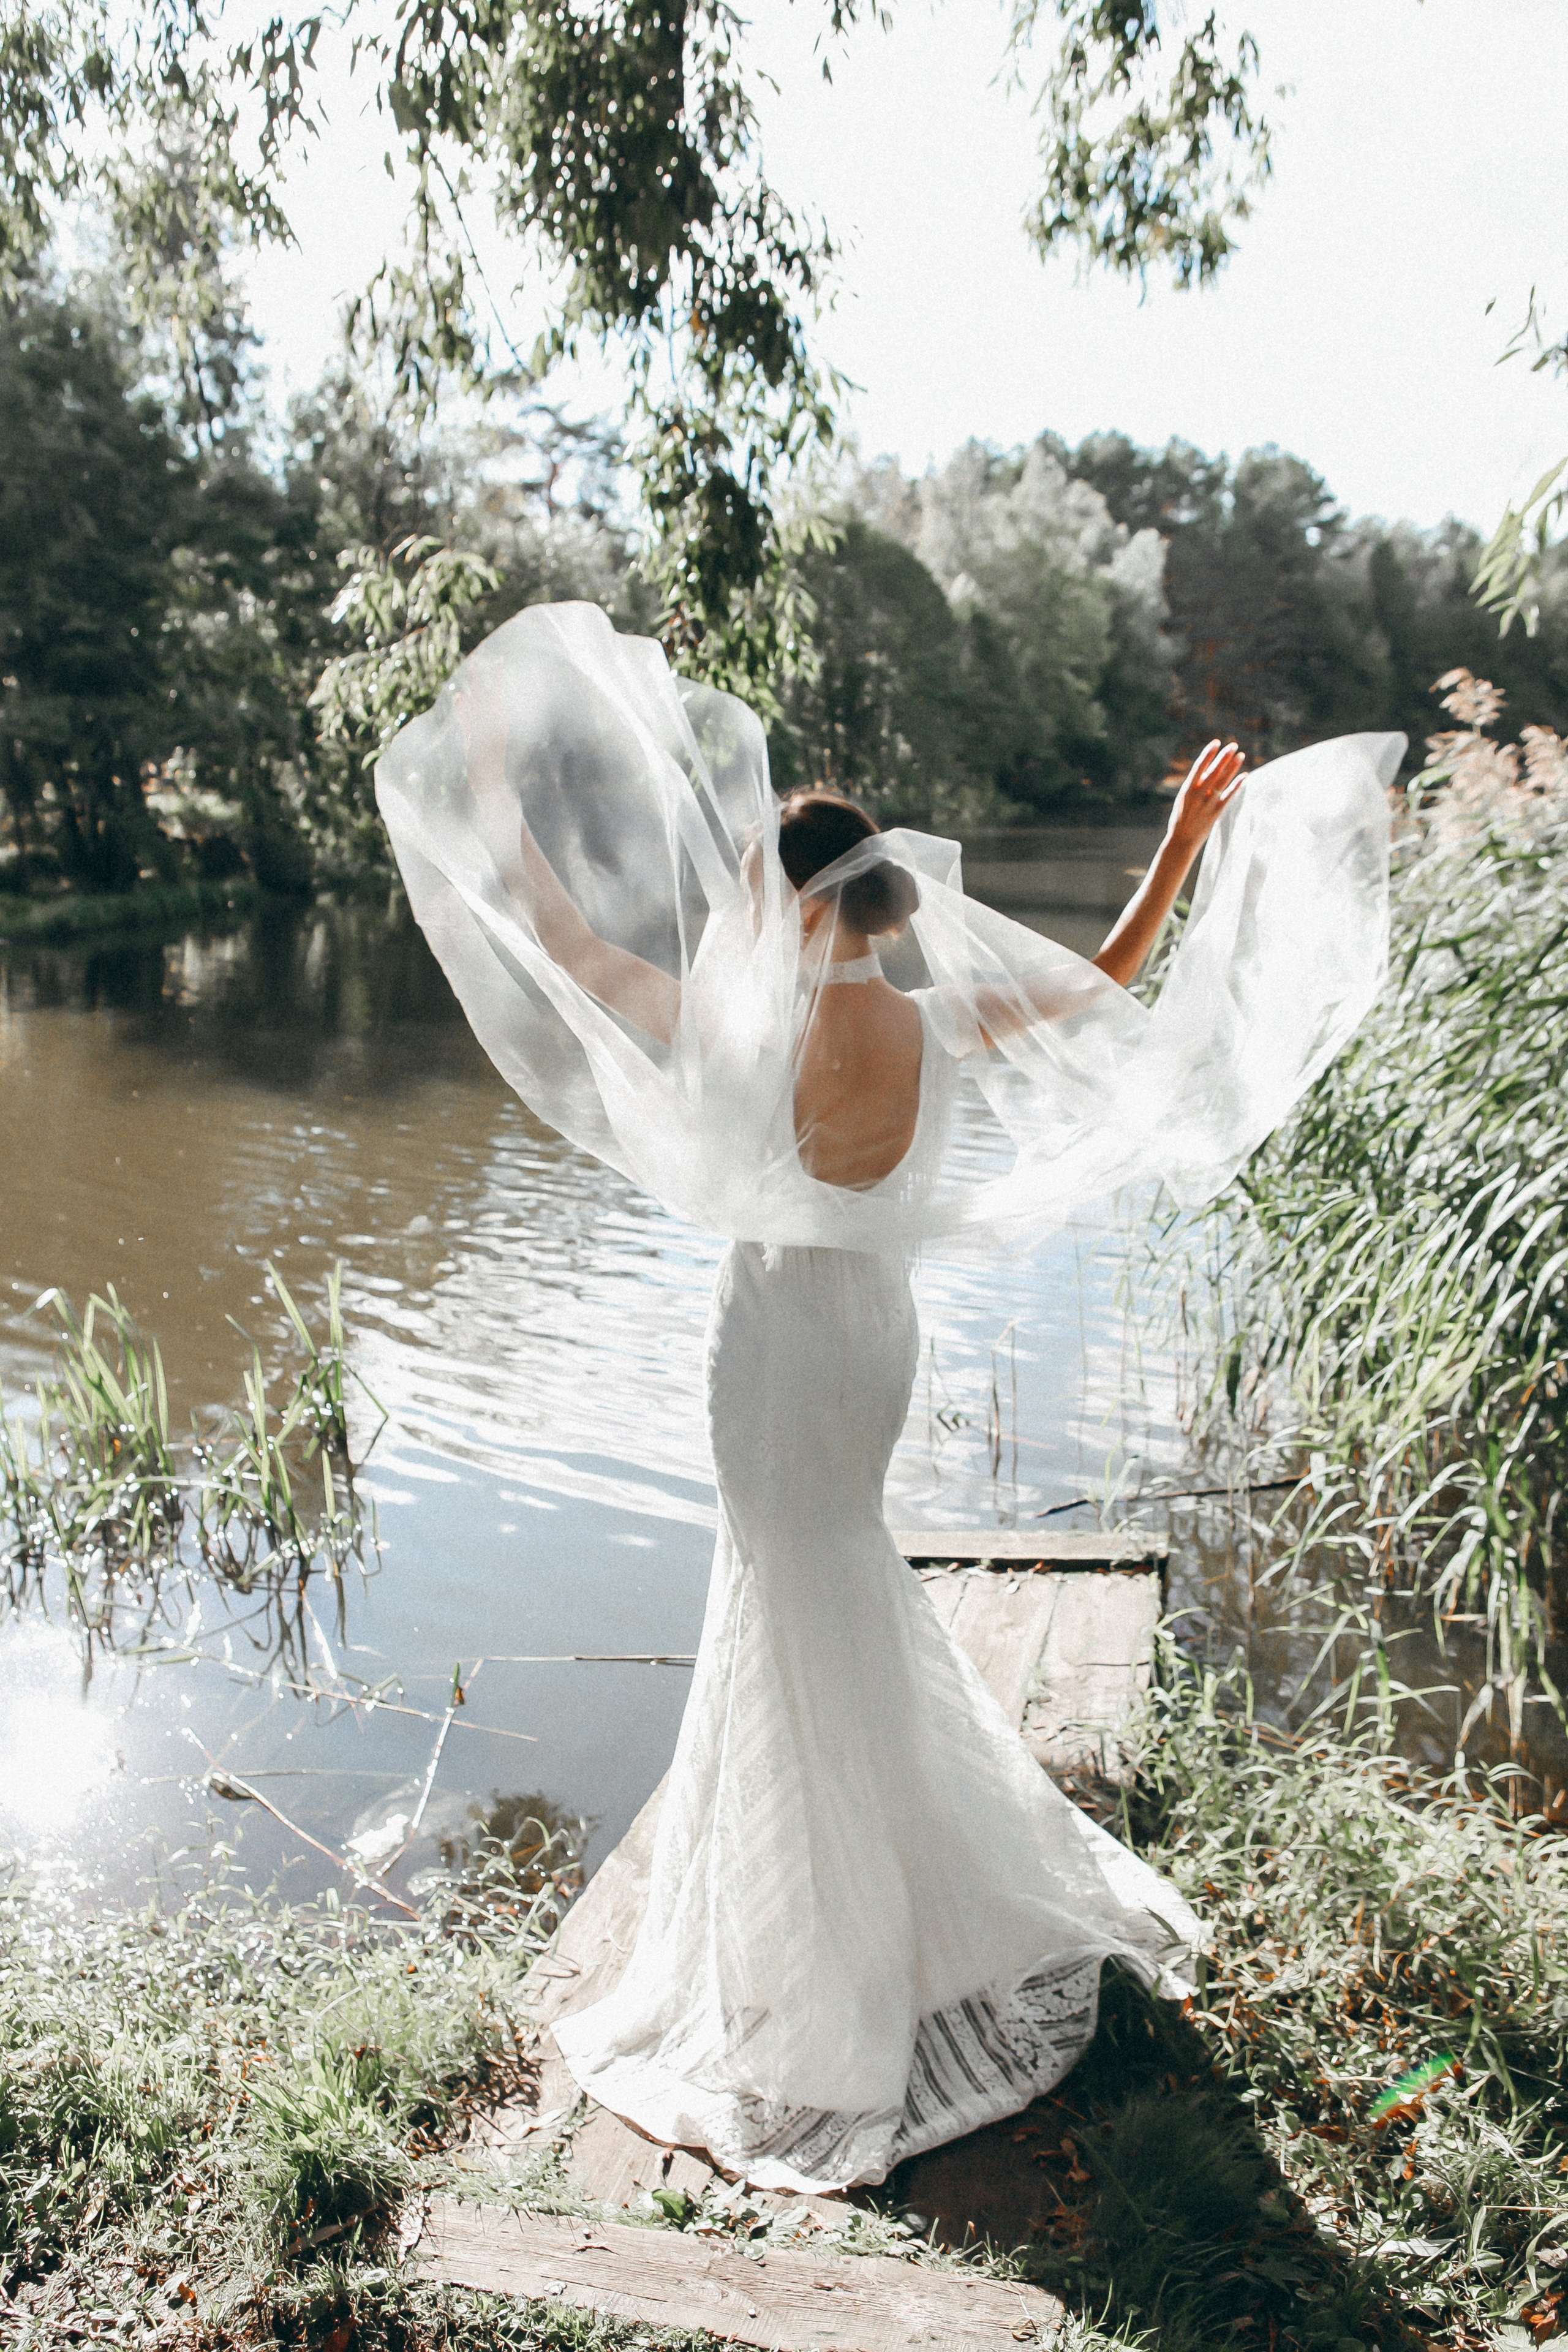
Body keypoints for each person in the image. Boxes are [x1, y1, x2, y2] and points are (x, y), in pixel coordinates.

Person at [377, 599, 1401, 2190]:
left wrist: (495, 794)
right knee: (835, 1574)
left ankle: (815, 1957)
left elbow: (567, 951)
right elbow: (1122, 968)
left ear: (781, 903)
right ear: (872, 900)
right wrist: (1189, 835)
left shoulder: (730, 1038)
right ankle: (895, 1907)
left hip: (768, 1342)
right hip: (872, 1346)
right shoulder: (929, 1018)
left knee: (779, 1590)